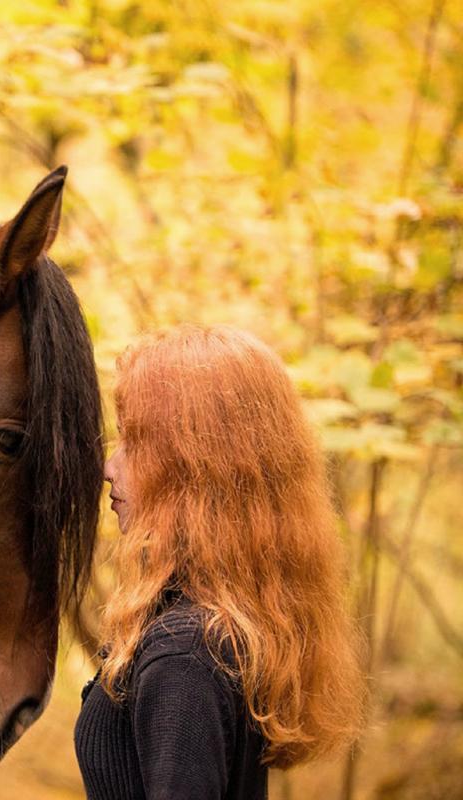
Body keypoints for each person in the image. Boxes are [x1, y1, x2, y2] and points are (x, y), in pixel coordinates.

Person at [74, 325, 367, 800]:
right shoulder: (206, 629)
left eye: (134, 443)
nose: (109, 466)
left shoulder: (186, 654)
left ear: (192, 466)